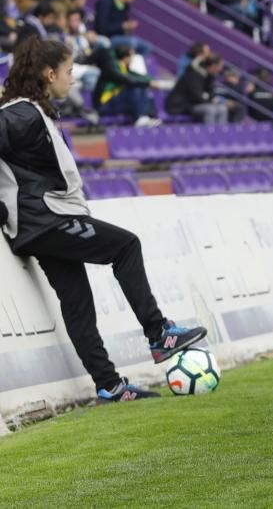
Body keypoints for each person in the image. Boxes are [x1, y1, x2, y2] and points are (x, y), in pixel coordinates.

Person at [0, 37, 207, 402]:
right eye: (68, 71)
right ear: (49, 74)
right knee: (126, 246)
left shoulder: (31, 112)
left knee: (77, 303)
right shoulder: (19, 114)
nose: (73, 79)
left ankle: (109, 385)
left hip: (43, 221)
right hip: (45, 218)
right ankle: (160, 334)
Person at [166, 53, 229, 123]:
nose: (220, 69)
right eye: (220, 66)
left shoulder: (208, 76)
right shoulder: (194, 74)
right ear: (213, 66)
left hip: (195, 104)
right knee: (210, 109)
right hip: (182, 106)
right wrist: (210, 102)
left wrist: (211, 77)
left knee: (222, 109)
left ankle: (220, 133)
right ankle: (209, 133)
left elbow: (211, 94)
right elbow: (196, 96)